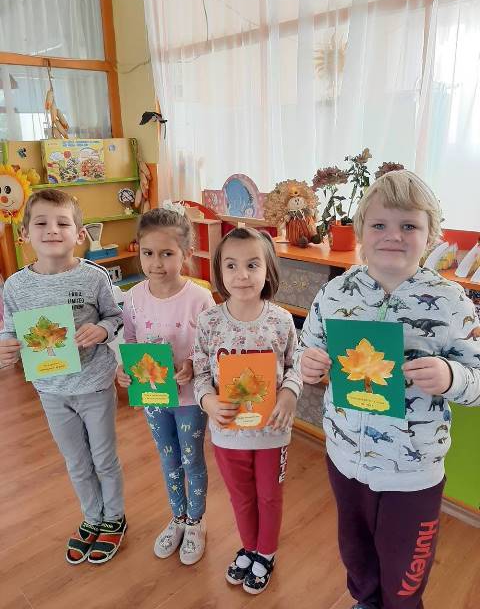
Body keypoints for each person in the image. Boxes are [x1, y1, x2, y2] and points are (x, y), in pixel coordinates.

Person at [297, 170, 480, 609]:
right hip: (344, 459)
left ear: (430, 235)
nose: (393, 236)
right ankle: (364, 601)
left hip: (412, 473)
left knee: (404, 576)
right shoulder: (334, 293)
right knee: (356, 556)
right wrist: (308, 363)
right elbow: (307, 349)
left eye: (409, 225)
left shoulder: (452, 302)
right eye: (379, 224)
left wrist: (451, 377)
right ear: (361, 231)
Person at [0, 189, 126, 565]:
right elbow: (9, 329)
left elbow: (116, 316)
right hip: (51, 390)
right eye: (41, 223)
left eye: (62, 223)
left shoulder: (94, 277)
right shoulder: (14, 286)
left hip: (95, 385)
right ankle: (92, 517)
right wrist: (5, 345)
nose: (52, 230)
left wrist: (102, 330)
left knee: (103, 458)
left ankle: (114, 517)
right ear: (25, 235)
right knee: (76, 461)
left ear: (79, 234)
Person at [193, 227, 303, 594]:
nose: (242, 274)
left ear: (268, 270)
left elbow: (296, 365)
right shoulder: (209, 321)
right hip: (227, 433)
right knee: (241, 496)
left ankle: (266, 553)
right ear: (219, 271)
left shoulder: (281, 320)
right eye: (232, 265)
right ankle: (250, 546)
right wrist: (208, 401)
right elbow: (199, 372)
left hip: (272, 431)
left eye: (252, 265)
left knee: (269, 496)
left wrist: (289, 394)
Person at [116, 203, 214, 565]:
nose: (156, 263)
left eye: (167, 254)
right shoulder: (133, 296)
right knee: (168, 458)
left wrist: (192, 365)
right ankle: (178, 517)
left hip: (190, 400)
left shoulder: (199, 298)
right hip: (153, 397)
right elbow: (129, 340)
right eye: (148, 253)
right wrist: (123, 369)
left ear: (186, 254)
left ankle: (196, 522)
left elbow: (211, 347)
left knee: (191, 459)